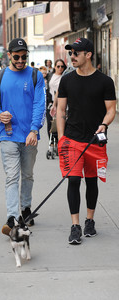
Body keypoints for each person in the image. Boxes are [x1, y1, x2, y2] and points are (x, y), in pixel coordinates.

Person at [56, 37, 116, 245]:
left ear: (88, 55)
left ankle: (90, 220)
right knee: (73, 180)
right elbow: (61, 110)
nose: (72, 57)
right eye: (71, 53)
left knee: (91, 181)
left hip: (94, 141)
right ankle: (75, 225)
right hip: (72, 139)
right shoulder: (67, 80)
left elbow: (111, 110)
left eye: (76, 53)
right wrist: (62, 138)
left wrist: (104, 124)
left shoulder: (105, 82)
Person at [0, 38, 46, 235]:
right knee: (12, 176)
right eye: (17, 56)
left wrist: (34, 129)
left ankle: (26, 208)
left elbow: (40, 105)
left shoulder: (36, 76)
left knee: (27, 174)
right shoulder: (0, 77)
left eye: (24, 56)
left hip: (29, 135)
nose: (21, 60)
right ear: (9, 55)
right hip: (8, 135)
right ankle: (12, 217)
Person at [46, 59, 66, 137]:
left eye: (62, 66)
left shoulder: (65, 77)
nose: (60, 68)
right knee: (50, 122)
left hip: (61, 103)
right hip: (50, 102)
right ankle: (51, 143)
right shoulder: (50, 75)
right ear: (55, 67)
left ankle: (59, 141)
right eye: (58, 66)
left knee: (59, 123)